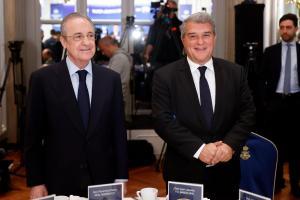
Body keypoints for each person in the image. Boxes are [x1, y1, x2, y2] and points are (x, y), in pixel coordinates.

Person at [152, 12, 256, 199]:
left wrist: (230, 145)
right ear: (183, 40)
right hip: (183, 173)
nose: (200, 42)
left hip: (226, 173)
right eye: (193, 36)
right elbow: (162, 120)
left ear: (214, 38)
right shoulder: (165, 76)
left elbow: (248, 113)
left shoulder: (235, 72)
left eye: (206, 35)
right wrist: (199, 149)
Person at [25, 12, 128, 199]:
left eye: (90, 35)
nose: (87, 42)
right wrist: (36, 181)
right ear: (64, 42)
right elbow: (32, 136)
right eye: (78, 36)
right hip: (58, 178)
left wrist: (121, 177)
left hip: (103, 179)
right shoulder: (42, 79)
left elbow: (118, 132)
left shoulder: (110, 79)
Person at [260, 13, 300, 197]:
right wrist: (265, 104)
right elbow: (261, 80)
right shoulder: (270, 52)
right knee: (275, 149)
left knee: (296, 151)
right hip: (275, 105)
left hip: (297, 104)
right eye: (282, 27)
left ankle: (296, 186)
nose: (284, 31)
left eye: (288, 27)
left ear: (296, 29)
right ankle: (276, 184)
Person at [98, 36, 133, 122]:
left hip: (116, 99)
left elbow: (109, 80)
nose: (103, 53)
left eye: (103, 49)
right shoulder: (119, 57)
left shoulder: (119, 58)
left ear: (108, 46)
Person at [144, 0, 183, 69]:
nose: (171, 11)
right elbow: (151, 41)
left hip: (175, 59)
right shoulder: (157, 24)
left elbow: (183, 41)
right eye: (169, 9)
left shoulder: (178, 24)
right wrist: (147, 54)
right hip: (159, 60)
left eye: (173, 9)